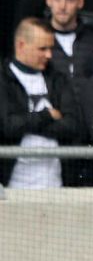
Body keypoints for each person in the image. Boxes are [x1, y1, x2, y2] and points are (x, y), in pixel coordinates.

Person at [1, 17, 84, 188]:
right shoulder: (2, 80)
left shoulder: (57, 80)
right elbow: (7, 126)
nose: (49, 55)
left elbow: (74, 125)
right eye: (42, 49)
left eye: (50, 48)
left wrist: (29, 124)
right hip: (13, 187)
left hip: (55, 183)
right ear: (21, 45)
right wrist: (47, 115)